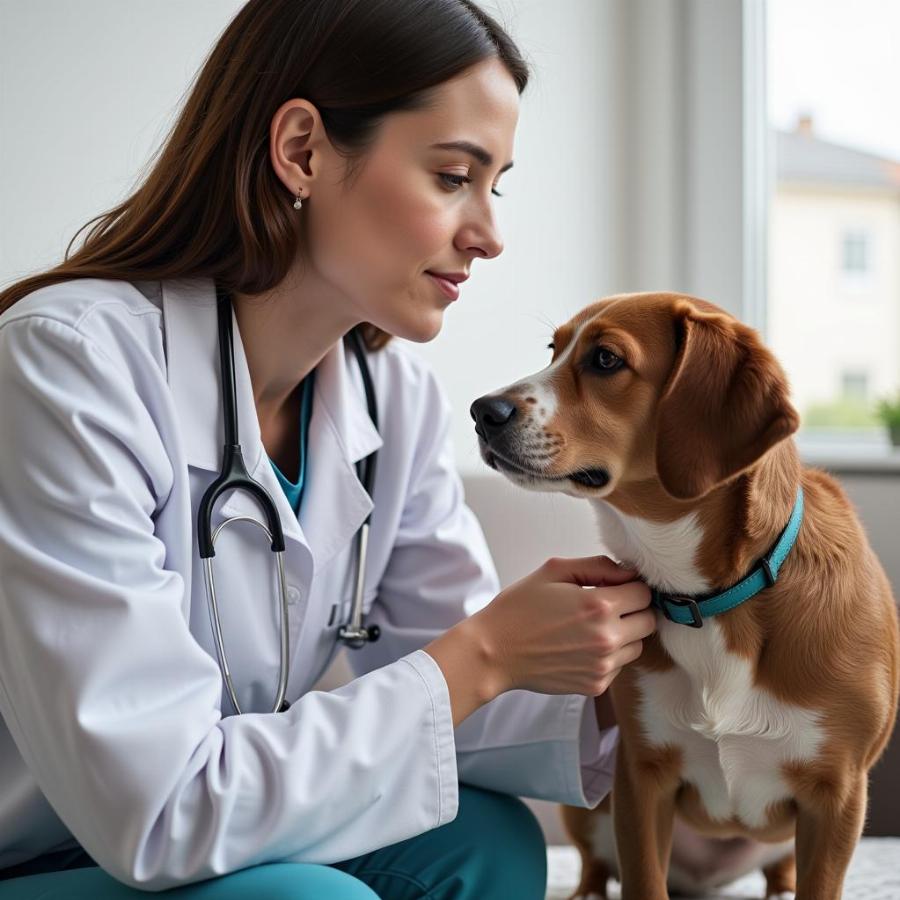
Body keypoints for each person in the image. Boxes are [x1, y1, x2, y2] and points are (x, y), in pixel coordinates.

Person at [0, 1, 657, 897]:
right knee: (314, 899)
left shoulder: (394, 400)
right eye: (453, 176)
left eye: (493, 185)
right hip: (46, 847)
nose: (489, 235)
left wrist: (661, 672)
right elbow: (155, 808)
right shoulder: (65, 365)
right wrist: (489, 652)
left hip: (173, 825)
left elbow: (445, 698)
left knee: (486, 844)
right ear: (303, 150)